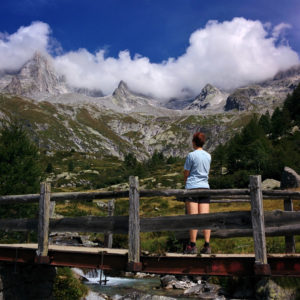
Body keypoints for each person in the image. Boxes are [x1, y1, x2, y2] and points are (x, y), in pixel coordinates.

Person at [183, 132, 211, 254]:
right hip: (205, 187)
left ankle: (192, 245)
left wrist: (186, 182)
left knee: (193, 218)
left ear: (194, 142)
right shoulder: (208, 156)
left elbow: (186, 172)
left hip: (192, 187)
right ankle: (207, 245)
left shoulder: (191, 155)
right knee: (205, 218)